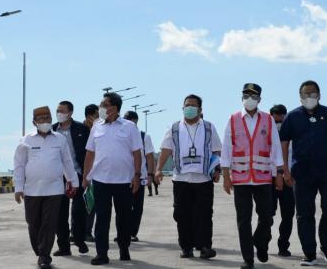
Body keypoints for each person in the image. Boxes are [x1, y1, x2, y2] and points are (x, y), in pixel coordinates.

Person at [280, 80, 327, 266]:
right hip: (301, 172)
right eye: (304, 94)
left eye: (312, 94)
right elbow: (284, 143)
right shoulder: (292, 117)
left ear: (319, 95)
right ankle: (309, 252)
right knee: (304, 213)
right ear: (300, 96)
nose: (308, 97)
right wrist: (285, 169)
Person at [221, 83, 284, 269]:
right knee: (243, 219)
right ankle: (248, 258)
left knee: (266, 216)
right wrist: (226, 176)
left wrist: (278, 173)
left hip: (263, 177)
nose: (249, 98)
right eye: (246, 95)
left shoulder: (267, 119)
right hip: (240, 178)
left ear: (259, 99)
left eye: (253, 95)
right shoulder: (233, 119)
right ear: (241, 97)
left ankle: (260, 242)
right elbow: (226, 148)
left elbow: (275, 147)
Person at [155, 94, 222, 259]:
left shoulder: (209, 127)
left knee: (204, 214)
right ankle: (186, 247)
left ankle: (205, 246)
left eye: (193, 105)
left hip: (203, 179)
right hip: (181, 179)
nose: (189, 108)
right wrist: (158, 169)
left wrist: (217, 169)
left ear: (200, 109)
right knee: (181, 214)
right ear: (182, 108)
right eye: (187, 105)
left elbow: (216, 150)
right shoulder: (174, 128)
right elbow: (165, 150)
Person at [13, 106, 79, 269]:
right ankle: (40, 250)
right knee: (33, 223)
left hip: (55, 189)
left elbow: (67, 162)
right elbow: (19, 165)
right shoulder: (26, 140)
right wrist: (18, 187)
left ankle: (44, 255)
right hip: (32, 190)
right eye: (42, 119)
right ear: (34, 122)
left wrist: (74, 181)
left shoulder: (59, 139)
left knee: (50, 223)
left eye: (48, 118)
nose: (46, 121)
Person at [82, 92, 143, 265]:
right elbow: (90, 153)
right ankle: (102, 254)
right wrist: (86, 177)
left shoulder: (130, 127)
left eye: (103, 104)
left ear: (114, 108)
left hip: (124, 180)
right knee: (102, 218)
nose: (100, 108)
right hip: (101, 180)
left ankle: (124, 248)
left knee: (123, 218)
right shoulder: (96, 126)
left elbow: (137, 153)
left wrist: (137, 176)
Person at [52, 101, 91, 256]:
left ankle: (79, 240)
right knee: (59, 213)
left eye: (61, 111)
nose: (58, 113)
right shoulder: (52, 130)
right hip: (57, 177)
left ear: (70, 113)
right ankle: (63, 246)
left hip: (78, 175)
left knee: (78, 211)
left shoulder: (82, 129)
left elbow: (90, 153)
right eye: (57, 110)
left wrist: (88, 175)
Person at [123, 110, 155, 242]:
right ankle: (123, 232)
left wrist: (150, 175)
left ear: (135, 121)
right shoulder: (121, 135)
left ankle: (132, 232)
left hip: (140, 177)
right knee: (123, 207)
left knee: (137, 207)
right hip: (123, 178)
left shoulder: (144, 137)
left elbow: (150, 157)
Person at [269, 104, 295, 257]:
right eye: (275, 121)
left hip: (288, 180)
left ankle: (283, 246)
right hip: (268, 180)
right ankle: (264, 242)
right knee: (267, 215)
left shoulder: (293, 136)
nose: (278, 124)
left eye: (281, 121)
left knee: (288, 215)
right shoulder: (263, 134)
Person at [83, 103, 99, 242]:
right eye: (97, 115)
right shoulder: (83, 131)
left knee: (90, 203)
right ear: (90, 116)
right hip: (83, 172)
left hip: (94, 172)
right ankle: (78, 231)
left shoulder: (97, 129)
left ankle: (87, 231)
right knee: (82, 204)